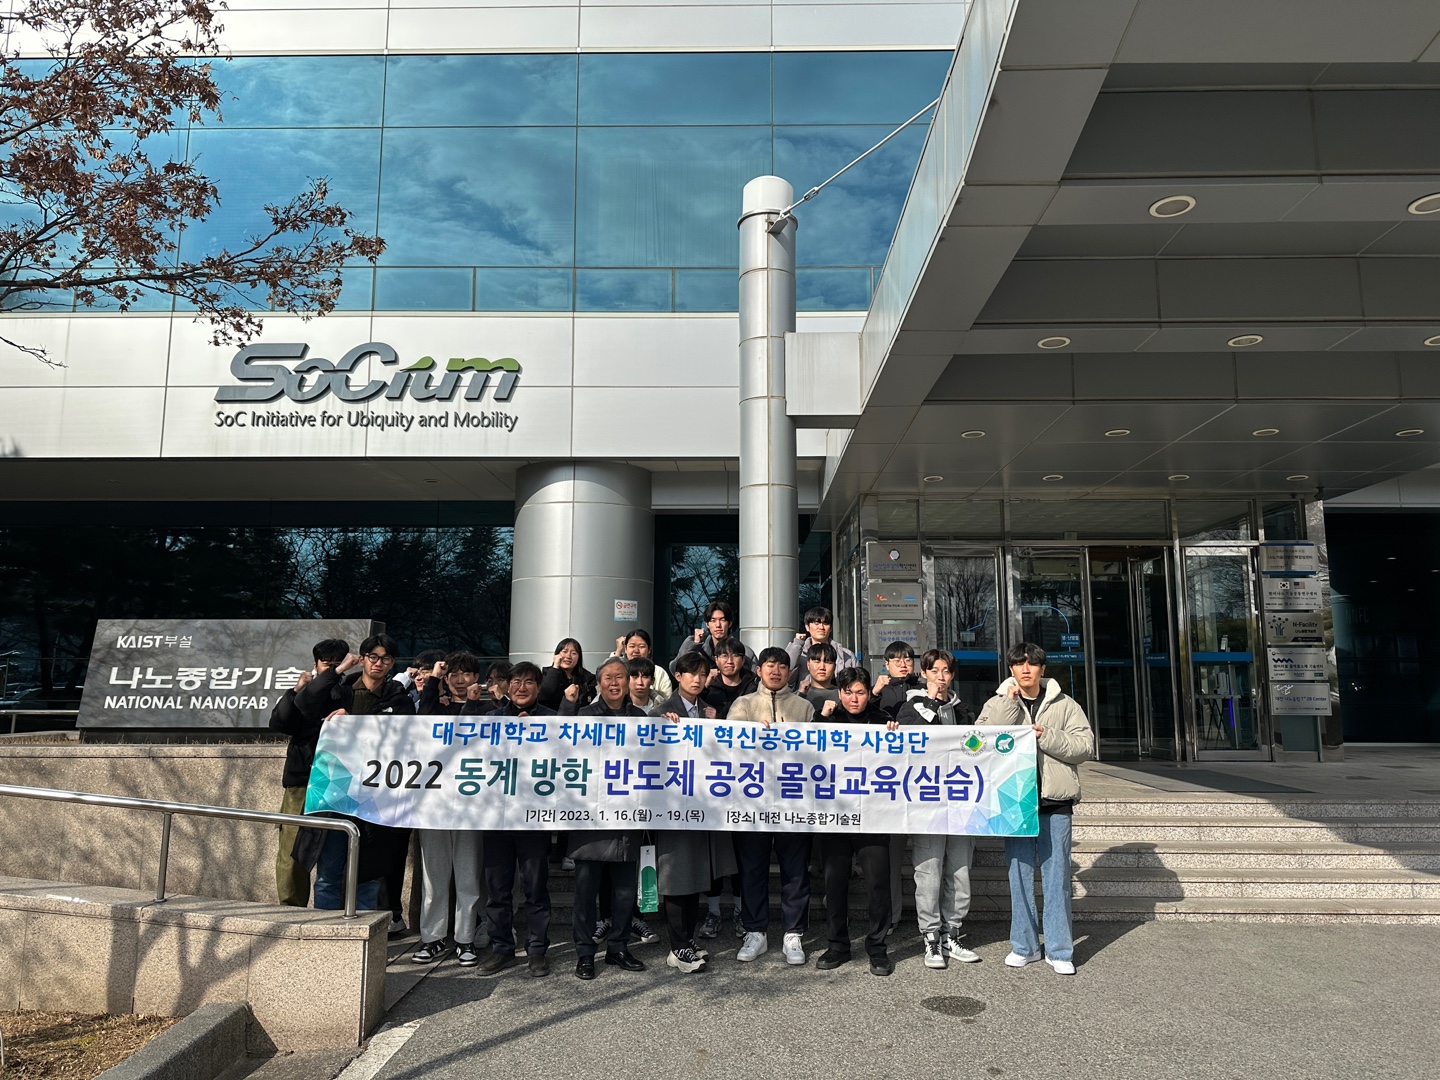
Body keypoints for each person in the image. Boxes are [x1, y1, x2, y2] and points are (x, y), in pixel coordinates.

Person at [976, 642, 1094, 976]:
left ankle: (1059, 950)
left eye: (1032, 664)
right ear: (1010, 669)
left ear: (1043, 669)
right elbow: (980, 739)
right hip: (1014, 801)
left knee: (1057, 879)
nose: (1025, 669)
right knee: (1019, 876)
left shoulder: (1065, 705)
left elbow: (1085, 746)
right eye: (1019, 664)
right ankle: (1024, 947)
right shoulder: (997, 702)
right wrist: (1008, 705)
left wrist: (1046, 736)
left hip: (1055, 801)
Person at [302, 634, 415, 913]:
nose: (378, 663)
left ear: (392, 664)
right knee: (328, 874)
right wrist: (337, 671)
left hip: (376, 797)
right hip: (335, 793)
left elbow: (401, 737)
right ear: (362, 659)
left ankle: (364, 933)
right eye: (373, 656)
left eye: (386, 658)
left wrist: (354, 722)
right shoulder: (338, 691)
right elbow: (305, 704)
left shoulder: (400, 699)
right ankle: (324, 931)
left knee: (369, 876)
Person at [726, 647, 816, 964]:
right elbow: (728, 748)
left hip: (795, 802)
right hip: (752, 804)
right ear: (759, 670)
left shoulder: (804, 707)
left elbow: (816, 755)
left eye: (781, 666)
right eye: (769, 665)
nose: (775, 671)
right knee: (752, 869)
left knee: (795, 871)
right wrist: (753, 735)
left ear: (789, 672)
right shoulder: (743, 705)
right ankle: (755, 932)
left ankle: (793, 933)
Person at [894, 649, 981, 969]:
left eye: (945, 671)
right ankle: (930, 937)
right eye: (934, 671)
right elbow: (908, 740)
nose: (940, 677)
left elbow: (978, 747)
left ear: (952, 675)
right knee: (928, 874)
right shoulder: (910, 707)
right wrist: (931, 703)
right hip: (926, 803)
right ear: (924, 674)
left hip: (959, 803)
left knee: (959, 871)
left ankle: (952, 933)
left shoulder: (963, 709)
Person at [567, 658, 649, 980]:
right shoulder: (585, 716)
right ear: (599, 683)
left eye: (620, 677)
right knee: (585, 893)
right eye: (608, 678)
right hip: (591, 821)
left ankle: (618, 947)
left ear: (628, 682)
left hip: (627, 819)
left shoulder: (640, 718)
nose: (614, 683)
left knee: (625, 892)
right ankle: (585, 952)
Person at [816, 667, 895, 976]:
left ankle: (877, 947)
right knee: (834, 883)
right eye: (847, 692)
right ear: (839, 693)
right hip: (835, 817)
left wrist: (895, 734)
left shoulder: (882, 720)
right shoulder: (828, 719)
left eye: (860, 692)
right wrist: (821, 720)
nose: (854, 698)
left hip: (873, 817)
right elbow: (806, 751)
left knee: (878, 884)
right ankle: (837, 945)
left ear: (868, 693)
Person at [479, 661, 556, 977]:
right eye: (516, 682)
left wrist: (537, 736)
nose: (521, 687)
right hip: (497, 817)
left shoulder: (552, 720)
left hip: (534, 819)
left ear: (538, 686)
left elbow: (565, 758)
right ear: (506, 686)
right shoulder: (492, 720)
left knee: (535, 888)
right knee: (497, 890)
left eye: (528, 682)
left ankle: (537, 950)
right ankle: (502, 949)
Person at [412, 651, 488, 966]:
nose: (459, 679)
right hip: (434, 804)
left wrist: (473, 703)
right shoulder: (436, 706)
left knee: (469, 877)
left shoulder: (488, 709)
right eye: (453, 673)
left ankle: (465, 938)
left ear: (476, 677)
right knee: (433, 876)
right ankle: (432, 938)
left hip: (472, 806)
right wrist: (433, 679)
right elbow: (423, 717)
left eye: (465, 673)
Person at [268, 636, 350, 908]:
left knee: (334, 853)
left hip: (337, 781)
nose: (332, 669)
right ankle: (291, 908)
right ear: (315, 664)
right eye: (327, 664)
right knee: (291, 849)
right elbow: (280, 722)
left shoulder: (347, 690)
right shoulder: (304, 692)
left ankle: (329, 911)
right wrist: (294, 690)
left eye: (338, 664)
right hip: (302, 780)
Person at [672, 600, 755, 673]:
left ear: (730, 623)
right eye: (713, 620)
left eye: (722, 620)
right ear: (707, 624)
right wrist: (693, 646)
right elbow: (675, 670)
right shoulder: (698, 650)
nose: (718, 625)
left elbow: (756, 680)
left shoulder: (745, 652)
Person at [784, 606, 857, 689]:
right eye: (816, 623)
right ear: (807, 627)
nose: (821, 627)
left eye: (825, 623)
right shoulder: (799, 652)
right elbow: (786, 679)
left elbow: (858, 683)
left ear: (831, 628)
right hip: (805, 696)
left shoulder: (846, 655)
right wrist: (797, 644)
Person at [700, 637, 757, 720]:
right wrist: (704, 688)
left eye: (735, 655)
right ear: (716, 660)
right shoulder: (708, 689)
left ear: (743, 660)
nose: (730, 661)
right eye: (724, 656)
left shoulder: (753, 689)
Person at [610, 629, 674, 702]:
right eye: (632, 646)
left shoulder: (659, 672)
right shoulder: (621, 670)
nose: (636, 651)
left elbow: (667, 699)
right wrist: (618, 651)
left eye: (641, 646)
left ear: (649, 649)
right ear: (626, 649)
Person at [539, 637, 596, 711]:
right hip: (552, 717)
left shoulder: (588, 680)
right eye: (564, 651)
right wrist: (555, 667)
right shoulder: (547, 675)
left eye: (573, 653)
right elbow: (545, 695)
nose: (568, 656)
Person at [873, 640, 921, 719]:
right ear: (887, 665)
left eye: (908, 660)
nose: (903, 665)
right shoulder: (880, 690)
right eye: (897, 661)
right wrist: (874, 694)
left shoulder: (923, 689)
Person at [799, 641, 840, 720]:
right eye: (817, 662)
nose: (822, 667)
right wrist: (800, 695)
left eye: (827, 662)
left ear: (835, 666)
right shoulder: (799, 695)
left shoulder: (843, 696)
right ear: (808, 665)